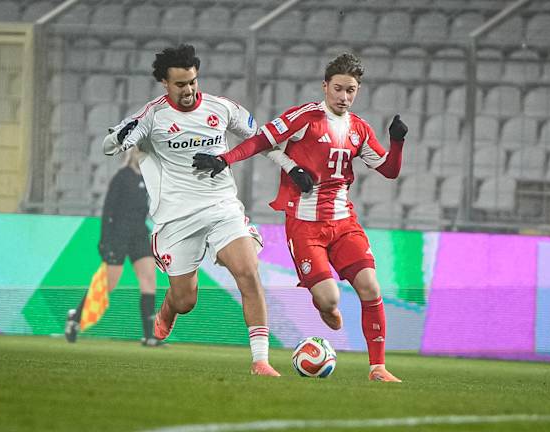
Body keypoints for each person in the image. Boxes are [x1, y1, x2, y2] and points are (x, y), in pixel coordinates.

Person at [192, 53, 408, 382]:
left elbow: (390, 171)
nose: (344, 97)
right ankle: (327, 307)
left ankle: (377, 367)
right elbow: (260, 140)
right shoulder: (304, 117)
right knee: (329, 297)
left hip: (344, 224)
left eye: (351, 90)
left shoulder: (359, 130)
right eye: (338, 89)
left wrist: (397, 141)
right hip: (305, 227)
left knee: (370, 286)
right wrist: (226, 159)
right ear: (325, 87)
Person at [102, 44, 299, 376]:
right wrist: (118, 139)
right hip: (176, 219)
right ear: (165, 83)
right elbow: (110, 145)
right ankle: (168, 309)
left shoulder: (221, 109)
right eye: (180, 84)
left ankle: (260, 361)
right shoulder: (151, 116)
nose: (189, 90)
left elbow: (261, 140)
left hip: (221, 207)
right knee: (186, 301)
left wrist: (291, 167)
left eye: (193, 81)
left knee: (248, 271)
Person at [64, 147, 159, 346]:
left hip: (139, 233)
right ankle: (75, 318)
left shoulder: (150, 178)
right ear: (132, 153)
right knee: (109, 283)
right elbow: (108, 210)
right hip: (118, 234)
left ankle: (149, 336)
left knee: (149, 278)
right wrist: (105, 239)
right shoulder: (121, 177)